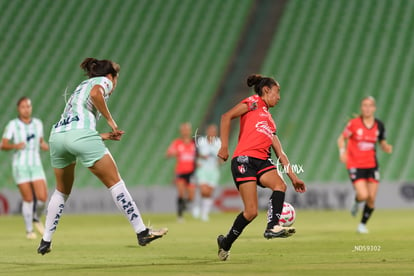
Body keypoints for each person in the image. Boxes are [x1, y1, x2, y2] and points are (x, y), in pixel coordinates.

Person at [37, 58, 167, 255]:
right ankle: (142, 231)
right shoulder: (102, 82)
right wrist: (112, 124)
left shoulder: (80, 86)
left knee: (61, 191)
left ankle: (45, 241)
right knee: (116, 183)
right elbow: (96, 94)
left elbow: (77, 126)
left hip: (57, 136)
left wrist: (103, 136)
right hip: (80, 136)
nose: (114, 84)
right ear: (110, 76)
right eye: (116, 79)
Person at [216, 74, 306, 261]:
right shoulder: (253, 102)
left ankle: (272, 227)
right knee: (251, 212)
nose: (279, 96)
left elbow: (281, 153)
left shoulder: (270, 121)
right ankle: (225, 243)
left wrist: (293, 177)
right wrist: (224, 146)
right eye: (277, 91)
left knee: (280, 186)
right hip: (244, 160)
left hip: (263, 161)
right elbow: (226, 117)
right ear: (266, 90)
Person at [337, 96, 392, 234]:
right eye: (364, 105)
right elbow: (342, 138)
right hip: (355, 164)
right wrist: (342, 152)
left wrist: (386, 147)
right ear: (361, 108)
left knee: (371, 198)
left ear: (374, 108)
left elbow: (382, 142)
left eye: (370, 105)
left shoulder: (379, 125)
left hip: (372, 165)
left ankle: (362, 225)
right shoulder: (354, 123)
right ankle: (356, 202)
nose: (367, 108)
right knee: (363, 195)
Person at [1, 97, 49, 239]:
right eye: (23, 107)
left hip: (36, 164)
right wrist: (15, 145)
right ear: (18, 109)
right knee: (28, 199)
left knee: (42, 198)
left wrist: (44, 145)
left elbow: (40, 140)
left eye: (28, 106)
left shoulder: (38, 124)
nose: (26, 109)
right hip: (20, 165)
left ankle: (36, 217)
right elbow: (3, 145)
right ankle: (29, 230)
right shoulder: (13, 125)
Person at [166, 122, 197, 222]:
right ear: (181, 132)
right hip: (180, 171)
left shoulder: (194, 143)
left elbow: (199, 155)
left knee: (191, 196)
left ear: (190, 131)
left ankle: (183, 206)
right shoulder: (177, 143)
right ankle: (180, 215)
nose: (185, 132)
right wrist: (172, 153)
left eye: (187, 130)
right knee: (181, 193)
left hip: (191, 172)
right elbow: (168, 153)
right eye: (183, 130)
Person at [195, 124, 221, 221]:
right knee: (203, 190)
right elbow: (196, 153)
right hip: (203, 168)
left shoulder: (218, 142)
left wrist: (220, 160)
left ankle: (204, 213)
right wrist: (201, 157)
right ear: (207, 132)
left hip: (213, 170)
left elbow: (221, 157)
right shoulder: (201, 141)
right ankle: (197, 206)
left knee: (209, 193)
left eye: (214, 131)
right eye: (210, 131)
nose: (212, 133)